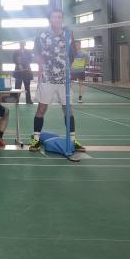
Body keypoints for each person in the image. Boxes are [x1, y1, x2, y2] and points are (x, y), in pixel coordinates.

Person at [29, 9, 85, 159]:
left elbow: (72, 54)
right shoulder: (41, 35)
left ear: (62, 19)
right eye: (54, 17)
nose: (57, 19)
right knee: (41, 108)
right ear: (50, 19)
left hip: (63, 80)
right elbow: (37, 55)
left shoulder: (68, 35)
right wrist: (41, 71)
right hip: (47, 78)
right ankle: (35, 139)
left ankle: (73, 140)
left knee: (68, 110)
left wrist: (66, 71)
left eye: (59, 17)